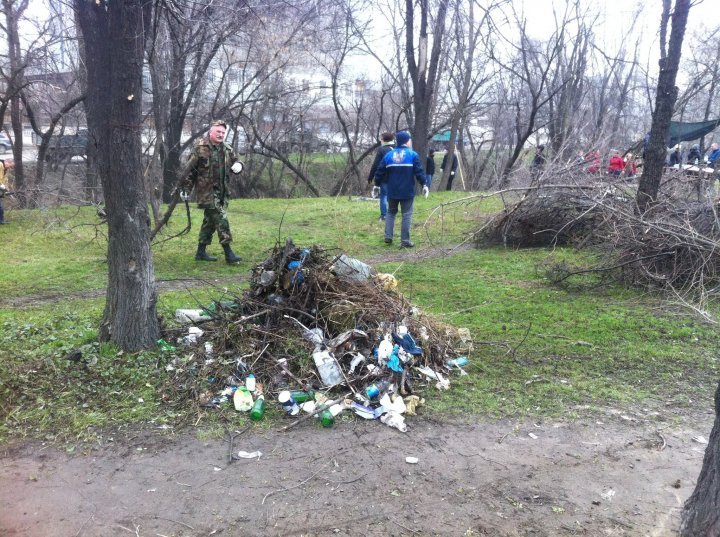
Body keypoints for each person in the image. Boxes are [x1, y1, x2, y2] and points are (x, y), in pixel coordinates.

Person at [179, 120, 244, 264]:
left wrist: (239, 165)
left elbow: (237, 161)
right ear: (211, 132)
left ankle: (200, 252)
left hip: (222, 192)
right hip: (207, 192)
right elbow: (190, 172)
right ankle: (229, 253)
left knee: (209, 222)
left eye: (223, 132)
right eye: (218, 132)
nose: (221, 135)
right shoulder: (200, 148)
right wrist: (185, 189)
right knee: (221, 219)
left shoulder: (227, 148)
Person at [374, 130, 428, 248]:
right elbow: (419, 171)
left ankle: (388, 236)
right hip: (407, 191)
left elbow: (379, 171)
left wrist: (376, 185)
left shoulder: (388, 155)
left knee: (390, 212)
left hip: (392, 190)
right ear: (407, 141)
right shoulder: (412, 155)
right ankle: (405, 241)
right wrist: (424, 184)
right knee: (406, 214)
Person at [367, 132, 395, 221]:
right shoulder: (396, 148)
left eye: (381, 138)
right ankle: (391, 214)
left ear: (384, 140)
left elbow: (376, 165)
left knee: (384, 196)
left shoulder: (382, 150)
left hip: (384, 176)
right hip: (396, 177)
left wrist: (371, 177)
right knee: (392, 196)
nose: (380, 140)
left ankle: (384, 215)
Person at [0, 158, 15, 225]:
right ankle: (1, 221)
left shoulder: (5, 169)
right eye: (10, 166)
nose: (10, 168)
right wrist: (1, 186)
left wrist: (6, 189)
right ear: (6, 162)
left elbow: (5, 180)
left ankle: (1, 220)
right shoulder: (0, 165)